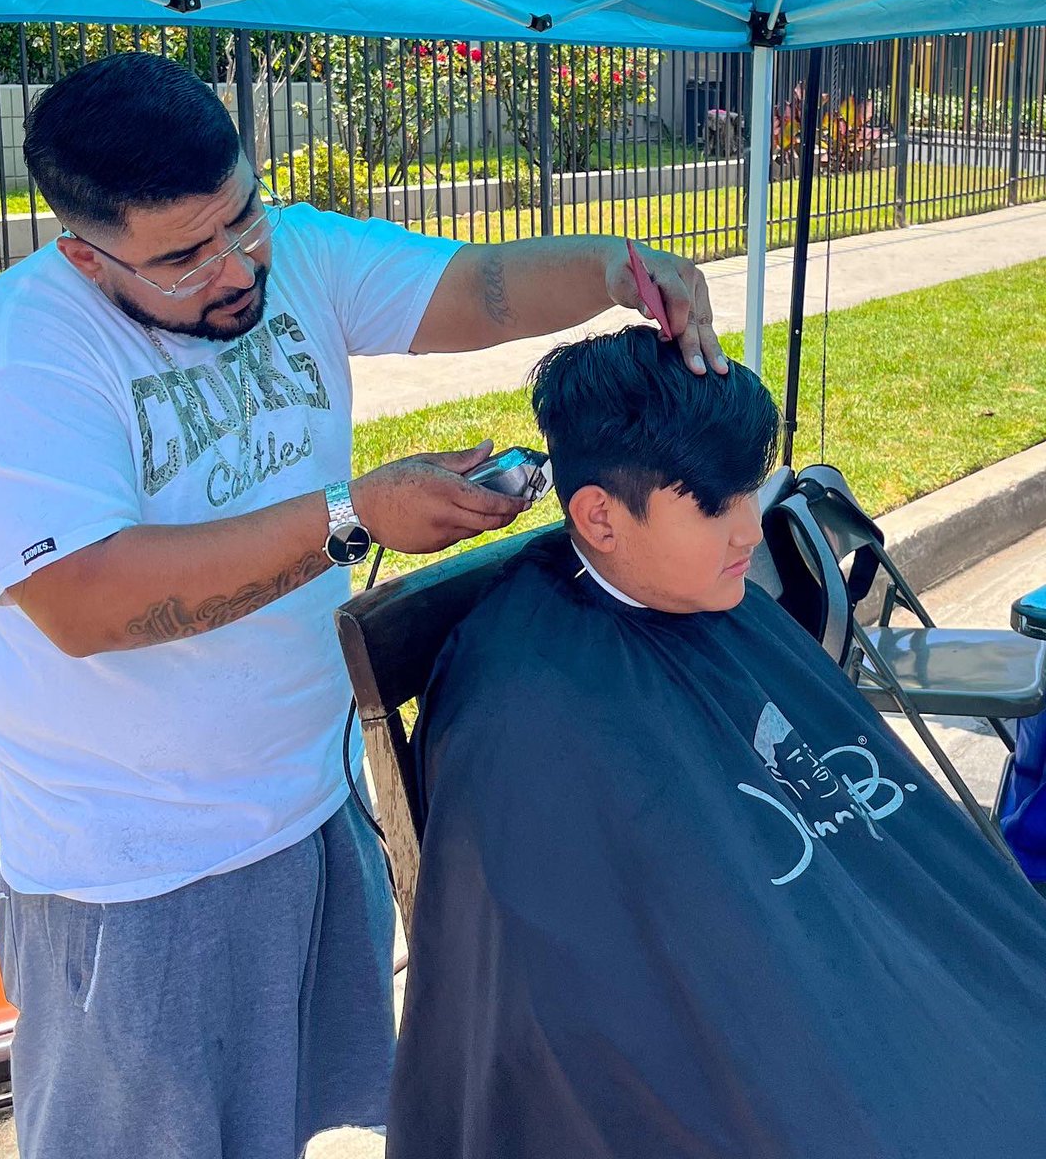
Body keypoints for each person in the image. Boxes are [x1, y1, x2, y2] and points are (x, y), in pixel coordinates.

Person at [0, 51, 725, 1159]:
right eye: (183, 258)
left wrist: (620, 269)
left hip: (307, 805)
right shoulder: (18, 358)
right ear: (82, 252)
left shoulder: (291, 252)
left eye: (242, 218)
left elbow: (479, 287)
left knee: (286, 1130)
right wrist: (349, 517)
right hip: (135, 868)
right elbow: (85, 601)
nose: (235, 267)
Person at [388, 325, 1046, 1159]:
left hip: (882, 1009)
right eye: (716, 505)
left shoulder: (718, 602)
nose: (749, 532)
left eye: (749, 493)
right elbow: (576, 1024)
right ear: (599, 517)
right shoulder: (523, 708)